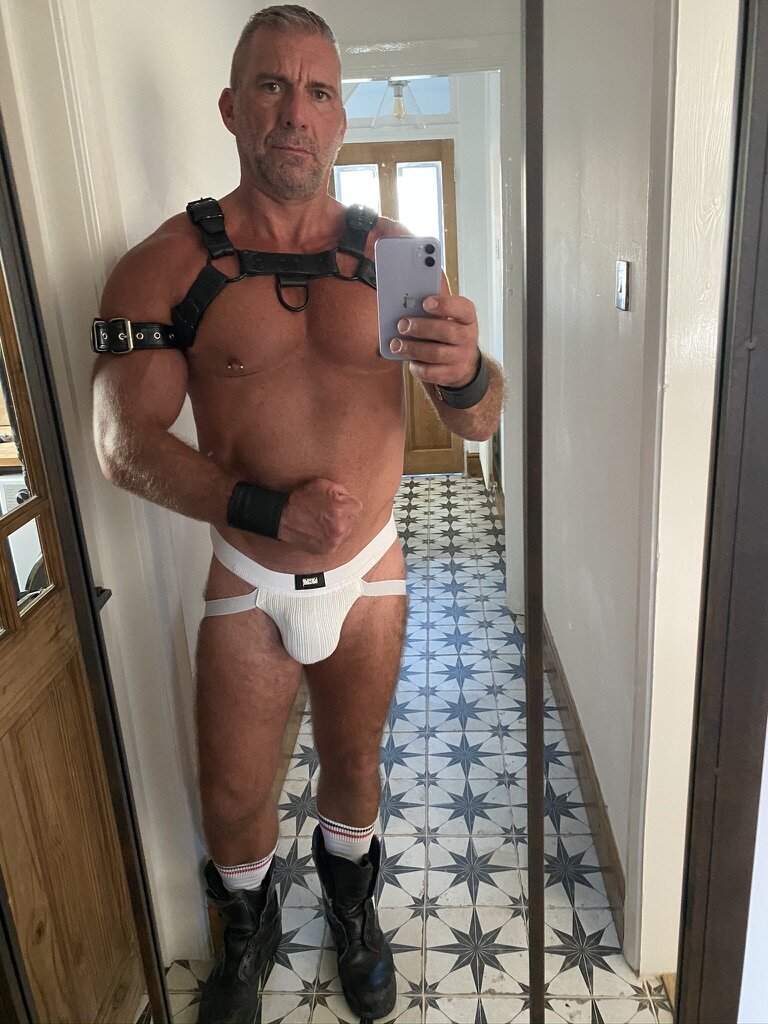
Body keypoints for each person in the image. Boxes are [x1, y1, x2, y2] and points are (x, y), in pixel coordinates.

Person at [91, 6, 504, 1022]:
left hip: (371, 574)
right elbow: (122, 444)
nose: (295, 112)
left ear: (340, 120)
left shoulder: (394, 254)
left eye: (318, 91)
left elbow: (479, 418)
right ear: (232, 107)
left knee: (354, 763)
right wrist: (264, 509)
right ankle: (249, 928)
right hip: (250, 573)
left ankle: (351, 912)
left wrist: (469, 371)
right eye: (272, 86)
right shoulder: (165, 265)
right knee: (233, 794)